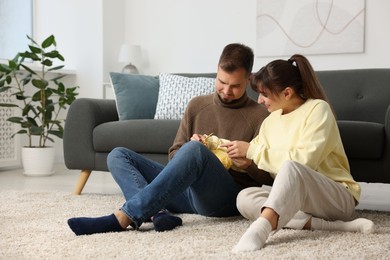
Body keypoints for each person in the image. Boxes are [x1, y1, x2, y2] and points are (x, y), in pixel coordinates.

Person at [67, 43, 273, 235]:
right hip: (183, 194)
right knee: (118, 155)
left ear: (248, 80)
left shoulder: (261, 116)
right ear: (217, 71)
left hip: (222, 200)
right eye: (222, 82)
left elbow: (270, 176)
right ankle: (158, 213)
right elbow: (174, 153)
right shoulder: (197, 105)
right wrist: (189, 155)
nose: (227, 91)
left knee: (194, 150)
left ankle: (124, 216)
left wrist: (247, 163)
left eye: (235, 86)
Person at [221, 54, 374, 252]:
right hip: (299, 203)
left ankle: (260, 229)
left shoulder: (318, 109)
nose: (259, 100)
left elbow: (303, 162)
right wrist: (217, 148)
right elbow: (253, 154)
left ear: (287, 93)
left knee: (292, 166)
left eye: (264, 94)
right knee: (244, 197)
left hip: (336, 197)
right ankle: (337, 227)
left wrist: (252, 151)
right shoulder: (270, 121)